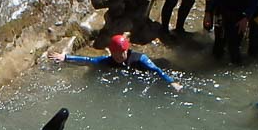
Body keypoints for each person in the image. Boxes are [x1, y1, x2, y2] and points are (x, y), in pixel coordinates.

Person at [49, 34, 182, 90]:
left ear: (127, 50)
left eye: (121, 54)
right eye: (115, 54)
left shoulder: (140, 59)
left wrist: (171, 82)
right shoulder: (109, 61)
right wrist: (65, 58)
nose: (118, 57)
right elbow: (88, 61)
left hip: (142, 77)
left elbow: (156, 70)